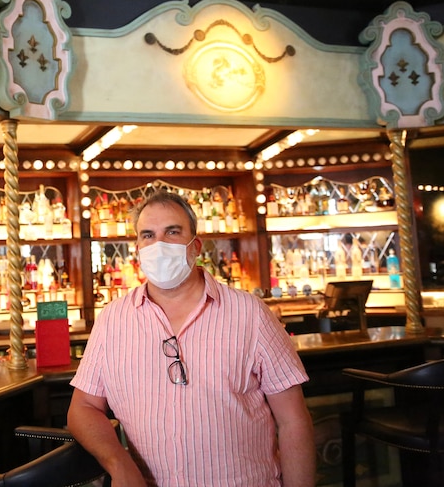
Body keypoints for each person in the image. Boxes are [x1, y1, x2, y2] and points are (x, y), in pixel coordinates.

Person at [68, 190, 315, 486]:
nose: (158, 245)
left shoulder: (250, 313)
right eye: (148, 235)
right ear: (138, 248)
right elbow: (83, 407)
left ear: (195, 245)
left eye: (172, 232)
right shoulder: (113, 320)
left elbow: (293, 421)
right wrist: (119, 463)